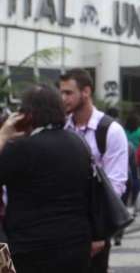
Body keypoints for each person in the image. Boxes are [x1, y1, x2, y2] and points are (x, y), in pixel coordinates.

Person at [0, 85, 92, 273]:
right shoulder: (78, 143)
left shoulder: (20, 149)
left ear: (27, 115)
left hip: (31, 248)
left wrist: (3, 135)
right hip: (76, 244)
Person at [61, 68, 129, 273]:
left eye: (68, 93)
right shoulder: (62, 127)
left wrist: (99, 232)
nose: (63, 98)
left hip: (94, 224)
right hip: (66, 221)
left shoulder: (110, 130)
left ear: (86, 92)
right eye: (61, 93)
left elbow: (115, 186)